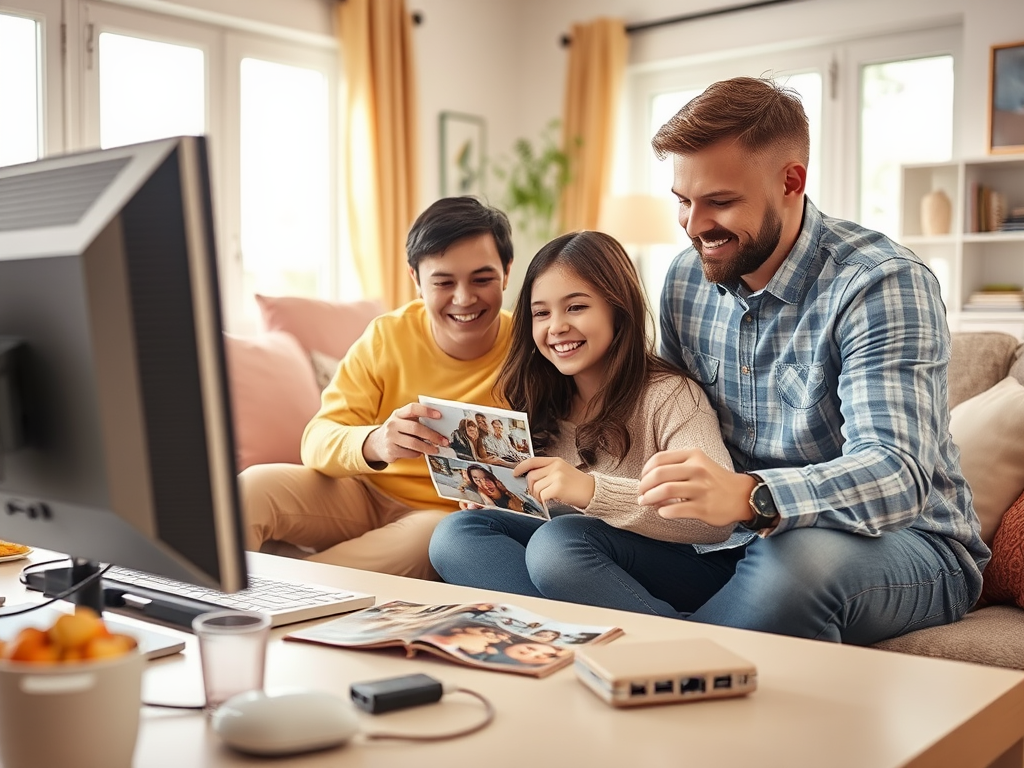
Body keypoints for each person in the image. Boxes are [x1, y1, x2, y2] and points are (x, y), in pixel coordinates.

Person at [508, 76, 989, 646]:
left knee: (796, 557)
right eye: (683, 202)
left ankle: (680, 669)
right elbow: (668, 427)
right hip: (731, 540)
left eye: (720, 201)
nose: (693, 226)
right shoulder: (688, 278)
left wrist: (751, 495)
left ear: (792, 181)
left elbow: (895, 474)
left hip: (903, 543)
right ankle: (675, 654)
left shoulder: (880, 285)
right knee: (561, 544)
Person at [429, 230, 735, 595]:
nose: (556, 326)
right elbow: (547, 514)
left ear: (617, 310)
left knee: (558, 544)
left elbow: (716, 521)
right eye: (541, 313)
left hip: (681, 564)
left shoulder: (669, 396)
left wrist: (591, 492)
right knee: (455, 534)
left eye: (576, 307)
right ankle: (547, 639)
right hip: (577, 562)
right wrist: (501, 503)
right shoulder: (539, 398)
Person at [240, 196, 515, 579]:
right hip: (361, 493)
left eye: (482, 279)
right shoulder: (389, 335)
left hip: (444, 517)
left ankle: (283, 583)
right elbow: (316, 440)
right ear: (416, 280)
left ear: (506, 272)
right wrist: (376, 443)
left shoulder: (528, 349)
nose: (464, 298)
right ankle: (216, 602)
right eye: (443, 282)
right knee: (251, 487)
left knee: (430, 539)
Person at [464, 464, 544, 517]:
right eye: (477, 480)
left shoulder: (512, 491)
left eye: (486, 478)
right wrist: (481, 493)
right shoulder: (480, 498)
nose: (484, 484)